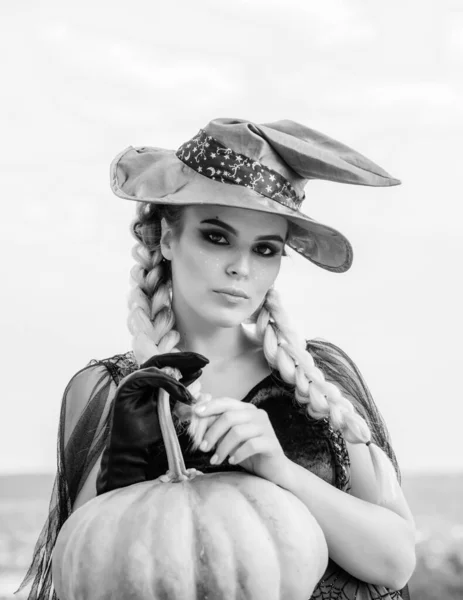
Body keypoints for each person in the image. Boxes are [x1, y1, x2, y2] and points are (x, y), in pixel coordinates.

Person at [18, 118, 416, 600]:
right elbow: (82, 575)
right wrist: (122, 466)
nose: (241, 268)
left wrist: (277, 469)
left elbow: (395, 563)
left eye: (265, 248)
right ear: (167, 238)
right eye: (217, 237)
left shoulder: (318, 378)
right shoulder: (107, 389)